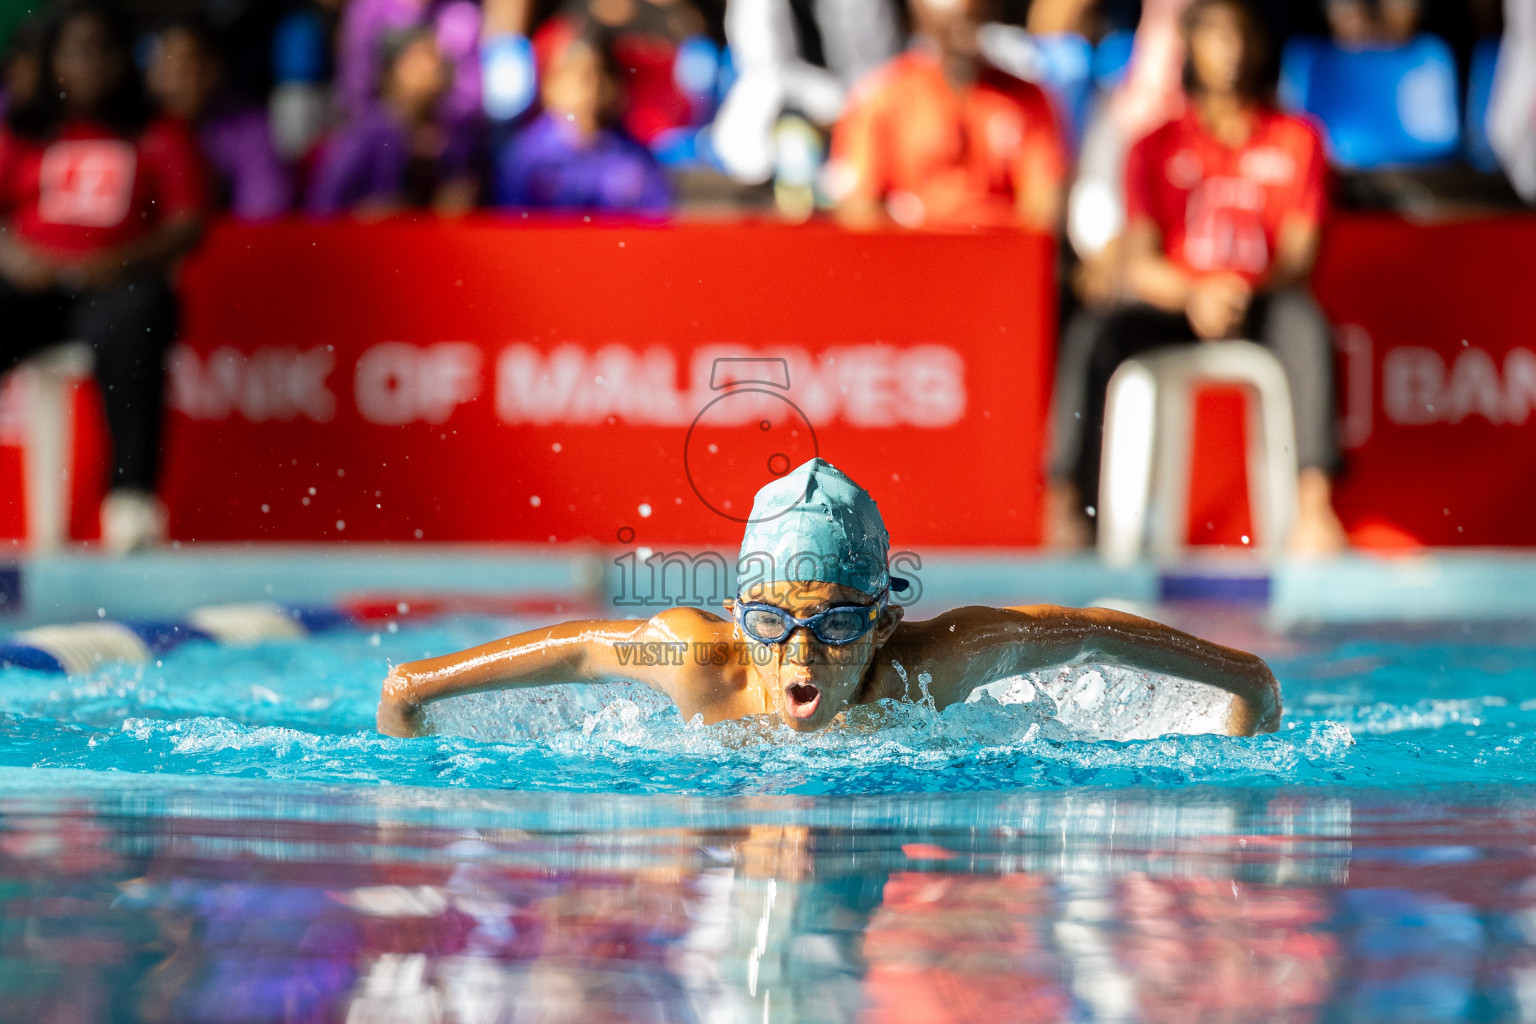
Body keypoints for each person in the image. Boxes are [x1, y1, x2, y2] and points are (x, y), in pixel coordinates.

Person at [377, 458, 1282, 738]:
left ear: (883, 621)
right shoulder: (698, 661)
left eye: (837, 622)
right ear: (740, 617)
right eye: (774, 622)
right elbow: (575, 651)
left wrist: (1245, 680)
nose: (801, 653)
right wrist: (409, 693)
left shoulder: (935, 662)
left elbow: (1086, 634)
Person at [1044, 0, 1348, 554]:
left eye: (1242, 35)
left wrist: (1236, 290)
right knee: (1094, 333)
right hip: (1175, 300)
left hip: (1259, 299)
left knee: (1306, 325)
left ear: (1262, 46)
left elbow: (1299, 259)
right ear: (1190, 47)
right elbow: (1138, 260)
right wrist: (1195, 293)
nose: (1231, 49)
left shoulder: (1298, 139)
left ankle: (1314, 507)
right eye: (1215, 35)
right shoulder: (1156, 145)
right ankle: (1067, 508)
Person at [0, 0, 208, 553]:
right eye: (75, 50)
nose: (89, 63)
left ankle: (131, 503)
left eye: (103, 50)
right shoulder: (25, 132)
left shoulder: (156, 132)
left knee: (142, 312)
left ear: (125, 60)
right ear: (52, 61)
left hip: (115, 284)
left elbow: (188, 222)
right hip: (32, 287)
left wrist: (122, 262)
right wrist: (13, 256)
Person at [825, 0, 1067, 232]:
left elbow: (1042, 212)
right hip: (910, 260)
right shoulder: (880, 99)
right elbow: (858, 212)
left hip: (998, 261)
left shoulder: (1026, 100)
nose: (964, 6)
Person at [306, 26, 480, 217]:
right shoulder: (365, 134)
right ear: (394, 67)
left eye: (437, 55)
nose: (436, 65)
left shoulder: (452, 133)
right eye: (424, 55)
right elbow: (322, 210)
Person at [493, 30, 671, 213]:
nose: (594, 90)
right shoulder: (527, 157)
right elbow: (511, 229)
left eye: (603, 75)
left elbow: (655, 223)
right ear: (549, 84)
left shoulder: (635, 158)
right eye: (582, 77)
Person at [146, 17, 293, 220]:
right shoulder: (136, 131)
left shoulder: (249, 128)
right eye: (167, 68)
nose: (176, 80)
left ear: (216, 68)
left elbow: (263, 215)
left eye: (189, 68)